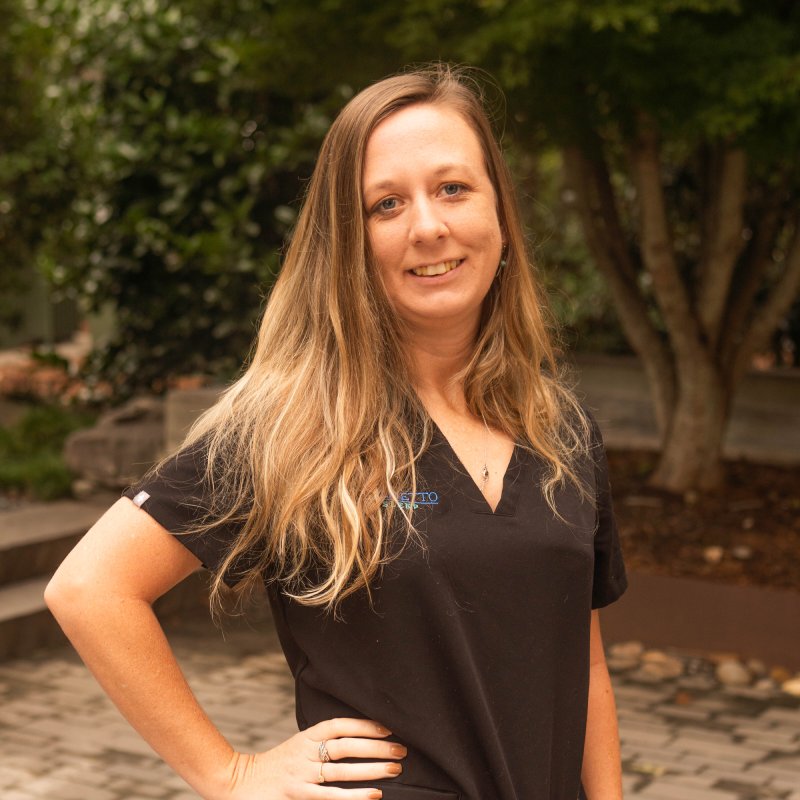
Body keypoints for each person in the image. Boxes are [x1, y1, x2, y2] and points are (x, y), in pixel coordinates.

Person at [46, 63, 627, 800]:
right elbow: (91, 588)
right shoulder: (295, 426)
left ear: (501, 214)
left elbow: (583, 662)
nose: (428, 226)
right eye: (386, 204)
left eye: (453, 188)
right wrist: (228, 773)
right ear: (349, 242)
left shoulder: (562, 430)